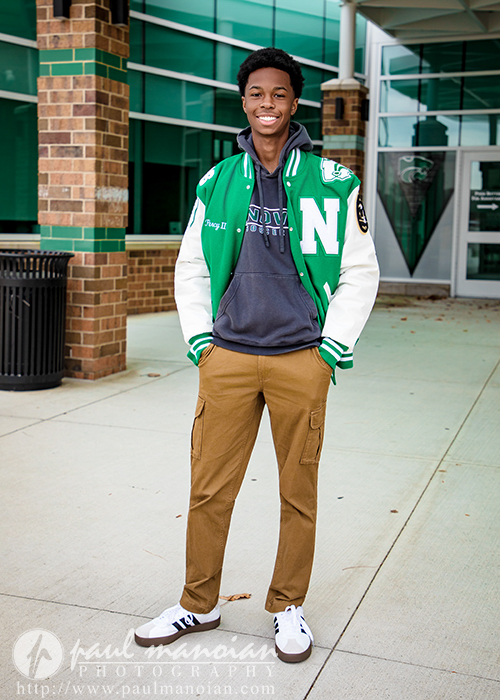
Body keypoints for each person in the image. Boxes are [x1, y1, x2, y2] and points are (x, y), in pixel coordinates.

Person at [135, 47, 379, 663]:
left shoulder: (333, 182)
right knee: (209, 487)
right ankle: (199, 602)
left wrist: (331, 350)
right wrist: (201, 342)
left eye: (278, 94)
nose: (266, 104)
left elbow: (360, 271)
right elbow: (191, 265)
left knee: (299, 490)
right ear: (243, 103)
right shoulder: (216, 182)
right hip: (230, 358)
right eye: (255, 94)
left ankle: (287, 607)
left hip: (302, 358)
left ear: (294, 102)